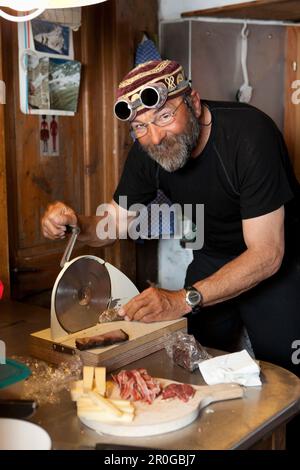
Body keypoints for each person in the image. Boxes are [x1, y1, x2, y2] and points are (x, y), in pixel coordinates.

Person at [41, 59, 300, 377]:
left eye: (164, 116)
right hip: (212, 257)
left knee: (287, 378)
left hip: (280, 266)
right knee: (194, 364)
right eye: (140, 126)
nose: (155, 137)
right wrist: (76, 224)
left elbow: (267, 254)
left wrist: (183, 299)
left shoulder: (249, 134)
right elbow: (114, 224)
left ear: (193, 101)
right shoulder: (147, 151)